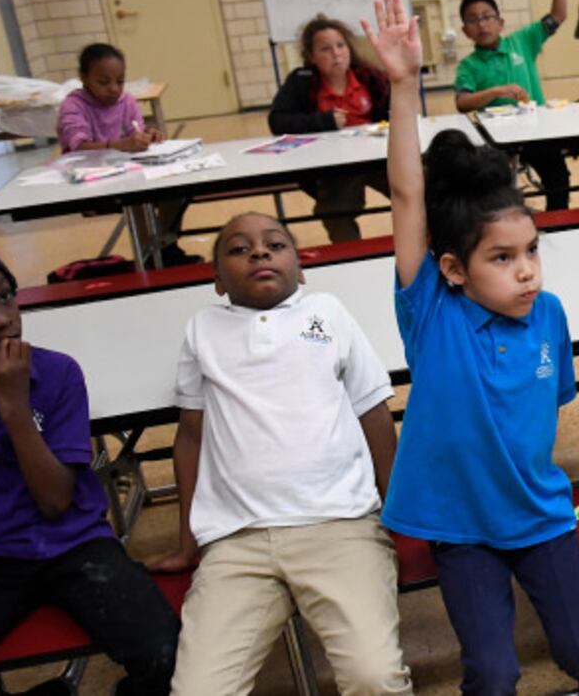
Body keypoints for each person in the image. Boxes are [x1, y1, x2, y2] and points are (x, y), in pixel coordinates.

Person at [369, 0, 579, 695]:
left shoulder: (550, 315)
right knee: (493, 671)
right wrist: (401, 83)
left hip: (540, 513)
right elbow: (407, 196)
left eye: (531, 250)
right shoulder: (432, 313)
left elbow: (546, 413)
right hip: (462, 527)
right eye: (502, 259)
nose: (527, 269)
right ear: (453, 270)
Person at [148, 211, 411, 695]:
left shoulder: (328, 313)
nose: (259, 253)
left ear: (301, 269)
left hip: (340, 526)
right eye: (238, 249)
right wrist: (188, 540)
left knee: (374, 677)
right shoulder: (202, 330)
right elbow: (190, 436)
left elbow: (373, 412)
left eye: (275, 244)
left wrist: (396, 508)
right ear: (218, 281)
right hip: (237, 540)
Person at [0, 239, 180, 696]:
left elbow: (56, 500)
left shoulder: (55, 375)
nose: (1, 317)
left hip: (79, 548)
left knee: (166, 657)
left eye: (5, 295)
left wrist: (14, 409)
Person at [453, 0, 572, 212]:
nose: (482, 24)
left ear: (500, 22)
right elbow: (462, 102)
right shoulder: (468, 66)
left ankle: (560, 226)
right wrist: (496, 92)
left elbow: (559, 15)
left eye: (487, 16)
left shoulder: (523, 41)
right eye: (473, 20)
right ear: (465, 31)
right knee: (496, 188)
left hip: (536, 131)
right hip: (495, 141)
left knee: (558, 178)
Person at [58, 43, 194, 266]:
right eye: (103, 82)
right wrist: (120, 144)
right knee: (138, 198)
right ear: (84, 78)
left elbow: (135, 134)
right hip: (90, 177)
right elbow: (78, 148)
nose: (113, 88)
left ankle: (163, 244)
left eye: (120, 81)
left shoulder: (127, 101)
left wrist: (148, 136)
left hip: (128, 170)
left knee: (177, 188)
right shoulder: (73, 106)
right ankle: (151, 254)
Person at [267, 15, 393, 243]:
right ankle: (352, 256)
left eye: (340, 45)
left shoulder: (371, 77)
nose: (336, 54)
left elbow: (395, 113)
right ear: (311, 56)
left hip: (379, 158)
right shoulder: (301, 81)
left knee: (420, 191)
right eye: (325, 49)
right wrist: (324, 122)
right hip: (336, 165)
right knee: (335, 212)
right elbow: (278, 121)